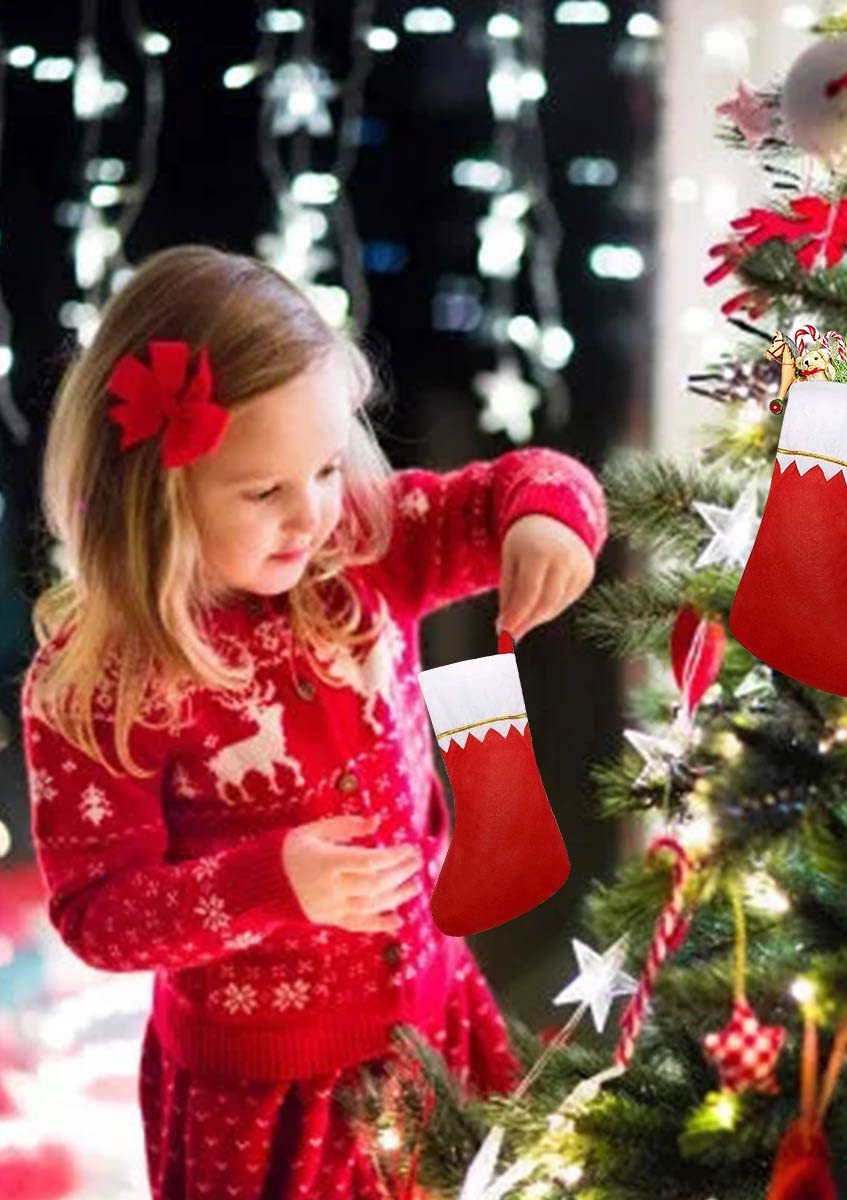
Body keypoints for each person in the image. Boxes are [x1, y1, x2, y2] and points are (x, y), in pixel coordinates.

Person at [19, 244, 608, 1198]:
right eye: (264, 492)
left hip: (430, 1027)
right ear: (156, 495)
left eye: (328, 468)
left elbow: (522, 483)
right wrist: (270, 883)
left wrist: (546, 519)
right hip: (259, 1102)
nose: (311, 516)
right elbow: (98, 916)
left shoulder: (365, 548)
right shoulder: (101, 680)